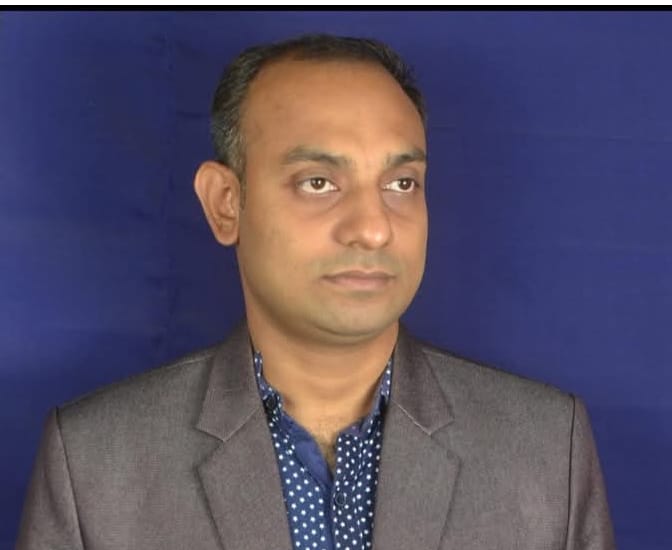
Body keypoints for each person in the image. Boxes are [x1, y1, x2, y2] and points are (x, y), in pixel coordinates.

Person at [16, 34, 615, 550]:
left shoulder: (544, 450)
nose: (373, 228)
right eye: (319, 182)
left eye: (401, 183)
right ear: (226, 204)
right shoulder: (95, 464)